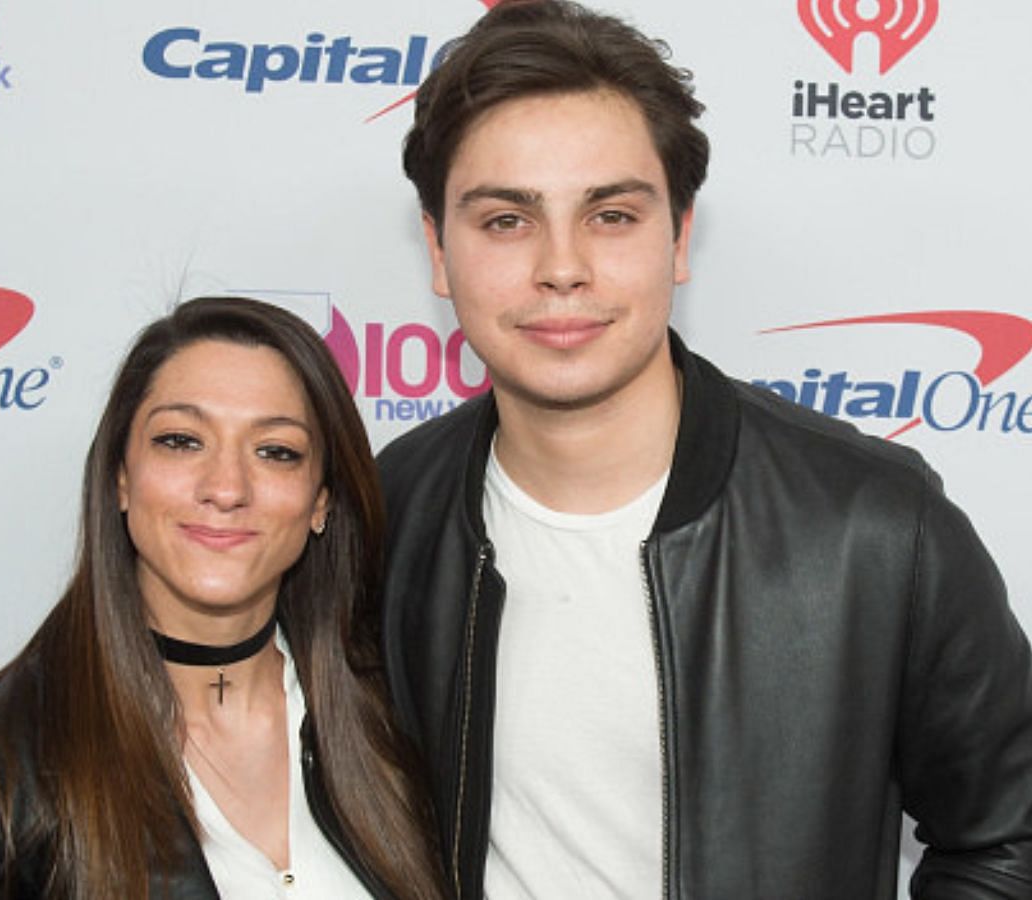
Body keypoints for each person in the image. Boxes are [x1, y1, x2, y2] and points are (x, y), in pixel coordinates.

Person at [377, 2, 1032, 898]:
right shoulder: (386, 516)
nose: (561, 267)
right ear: (438, 252)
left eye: (611, 215)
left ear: (679, 238)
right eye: (505, 221)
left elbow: (1011, 839)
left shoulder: (874, 526)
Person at [0, 297, 447, 900]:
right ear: (121, 477)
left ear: (321, 501)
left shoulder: (402, 719)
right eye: (181, 441)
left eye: (276, 451)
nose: (226, 488)